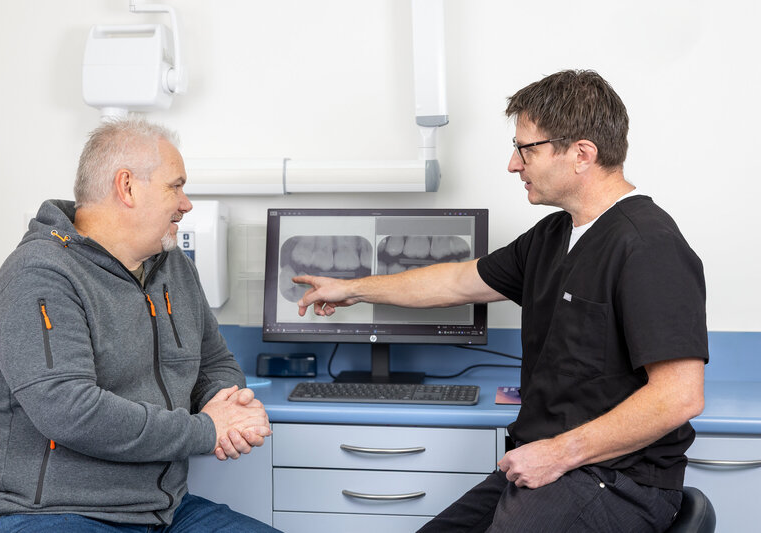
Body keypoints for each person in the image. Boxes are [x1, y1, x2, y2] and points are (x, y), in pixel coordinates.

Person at [294, 70, 708, 533]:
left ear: (581, 154)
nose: (514, 164)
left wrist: (558, 452)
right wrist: (351, 288)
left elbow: (679, 396)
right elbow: (457, 282)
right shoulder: (554, 235)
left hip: (617, 481)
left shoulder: (648, 246)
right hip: (545, 467)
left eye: (525, 149)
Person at [0, 118, 280, 532]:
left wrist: (225, 401)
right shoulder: (39, 274)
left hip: (159, 511)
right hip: (44, 513)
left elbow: (214, 361)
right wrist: (206, 429)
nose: (186, 204)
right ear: (127, 187)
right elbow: (71, 411)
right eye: (175, 186)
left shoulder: (174, 268)